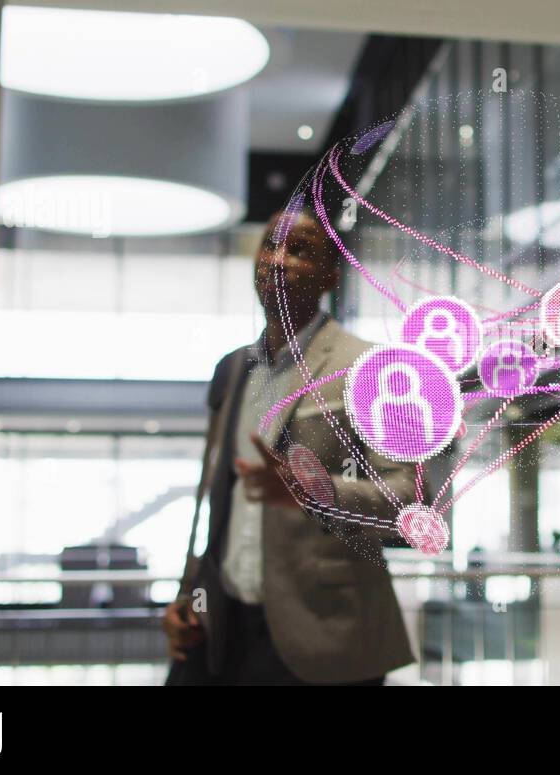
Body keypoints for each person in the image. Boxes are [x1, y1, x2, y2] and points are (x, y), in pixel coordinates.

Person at [162, 198, 417, 685]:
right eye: (269, 247)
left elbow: (407, 503)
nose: (278, 260)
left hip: (324, 637)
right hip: (225, 627)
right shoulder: (233, 369)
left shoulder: (375, 369)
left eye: (298, 249)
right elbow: (213, 505)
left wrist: (311, 493)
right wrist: (188, 597)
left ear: (330, 275)